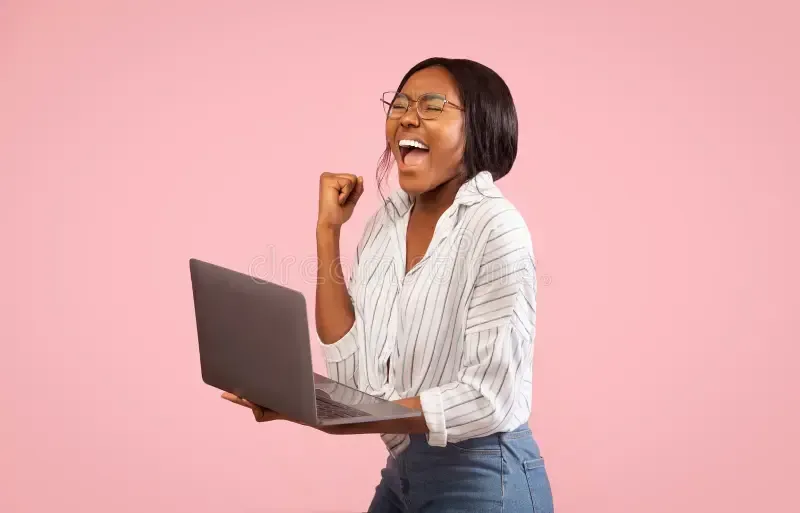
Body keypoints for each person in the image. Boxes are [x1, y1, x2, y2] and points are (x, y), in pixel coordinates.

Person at [223, 57, 554, 512]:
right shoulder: (385, 225)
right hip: (403, 472)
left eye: (432, 106)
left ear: (479, 126)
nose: (408, 117)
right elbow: (355, 376)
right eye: (399, 104)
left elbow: (487, 399)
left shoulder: (497, 229)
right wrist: (328, 232)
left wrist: (333, 416)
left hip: (483, 475)